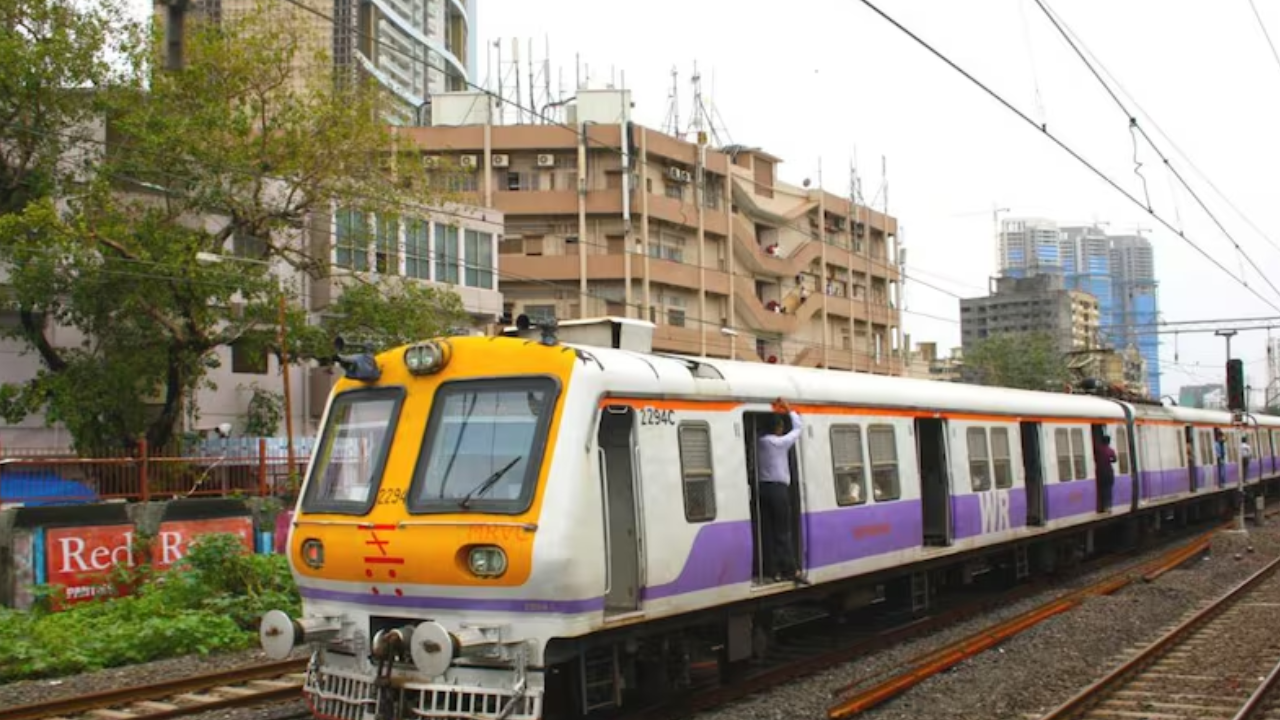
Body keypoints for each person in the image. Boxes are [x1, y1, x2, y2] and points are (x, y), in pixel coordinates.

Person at [757, 398, 809, 586]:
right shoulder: (779, 443)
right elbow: (798, 429)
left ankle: (773, 571)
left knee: (768, 532)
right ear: (778, 428)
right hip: (778, 491)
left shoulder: (760, 442)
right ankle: (792, 570)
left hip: (762, 489)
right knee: (783, 532)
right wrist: (789, 410)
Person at [1095, 433, 1117, 512]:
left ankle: (1102, 506)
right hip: (1109, 472)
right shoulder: (1111, 450)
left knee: (1102, 489)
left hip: (1100, 472)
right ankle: (1109, 507)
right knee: (1109, 490)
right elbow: (1115, 460)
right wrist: (1109, 460)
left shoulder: (1098, 449)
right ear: (1108, 442)